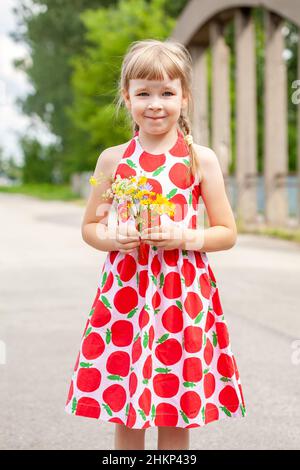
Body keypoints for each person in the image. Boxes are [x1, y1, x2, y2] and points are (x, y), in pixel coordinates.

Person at [64, 38, 247, 450]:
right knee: (127, 400)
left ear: (184, 97)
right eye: (143, 93)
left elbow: (227, 232)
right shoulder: (114, 159)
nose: (155, 103)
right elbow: (90, 227)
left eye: (167, 92)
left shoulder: (200, 159)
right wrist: (113, 237)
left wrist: (185, 235)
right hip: (126, 295)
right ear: (126, 97)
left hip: (180, 296)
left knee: (173, 399)